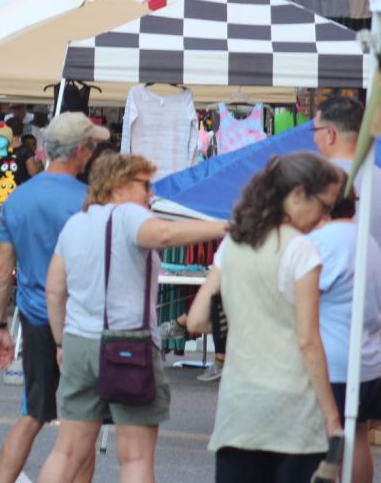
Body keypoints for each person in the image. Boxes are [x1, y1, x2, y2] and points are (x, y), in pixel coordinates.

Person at [38, 153, 228, 482]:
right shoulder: (127, 215)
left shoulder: (76, 223)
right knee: (135, 458)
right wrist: (228, 226)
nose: (150, 194)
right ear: (118, 187)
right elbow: (164, 235)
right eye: (145, 185)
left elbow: (55, 290)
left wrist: (59, 342)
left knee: (67, 452)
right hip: (128, 344)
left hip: (78, 343)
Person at [187, 152, 344, 482]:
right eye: (325, 206)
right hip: (294, 410)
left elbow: (197, 319)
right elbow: (308, 341)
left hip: (239, 407)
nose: (324, 218)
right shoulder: (301, 250)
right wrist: (331, 416)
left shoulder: (233, 244)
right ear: (298, 194)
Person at [0, 112, 107, 483]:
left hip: (35, 316)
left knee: (33, 414)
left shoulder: (18, 199)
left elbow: (2, 268)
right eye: (90, 147)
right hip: (81, 322)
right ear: (80, 151)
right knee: (83, 425)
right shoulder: (89, 201)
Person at [309, 95, 381, 482]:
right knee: (357, 431)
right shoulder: (377, 176)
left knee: (325, 432)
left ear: (331, 133)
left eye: (315, 131)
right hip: (370, 323)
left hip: (325, 327)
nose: (314, 140)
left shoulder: (316, 182)